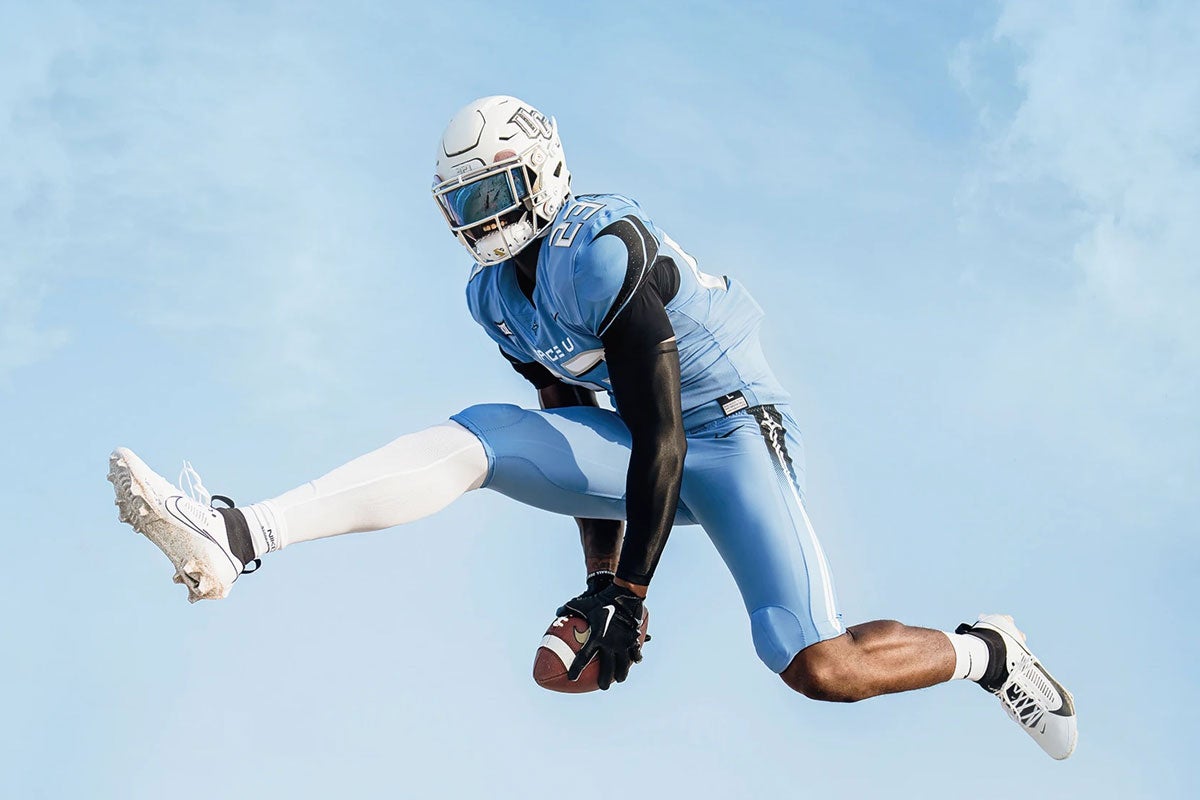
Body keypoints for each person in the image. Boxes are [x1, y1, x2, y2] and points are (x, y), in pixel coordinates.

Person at [108, 95, 1076, 759]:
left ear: (545, 173)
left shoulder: (601, 247)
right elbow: (568, 416)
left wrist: (629, 589)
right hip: (641, 447)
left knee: (819, 664)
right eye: (465, 204)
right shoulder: (492, 296)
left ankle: (989, 649)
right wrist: (604, 583)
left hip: (728, 436)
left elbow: (665, 435)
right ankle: (240, 532)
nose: (483, 221)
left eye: (494, 194)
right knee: (482, 434)